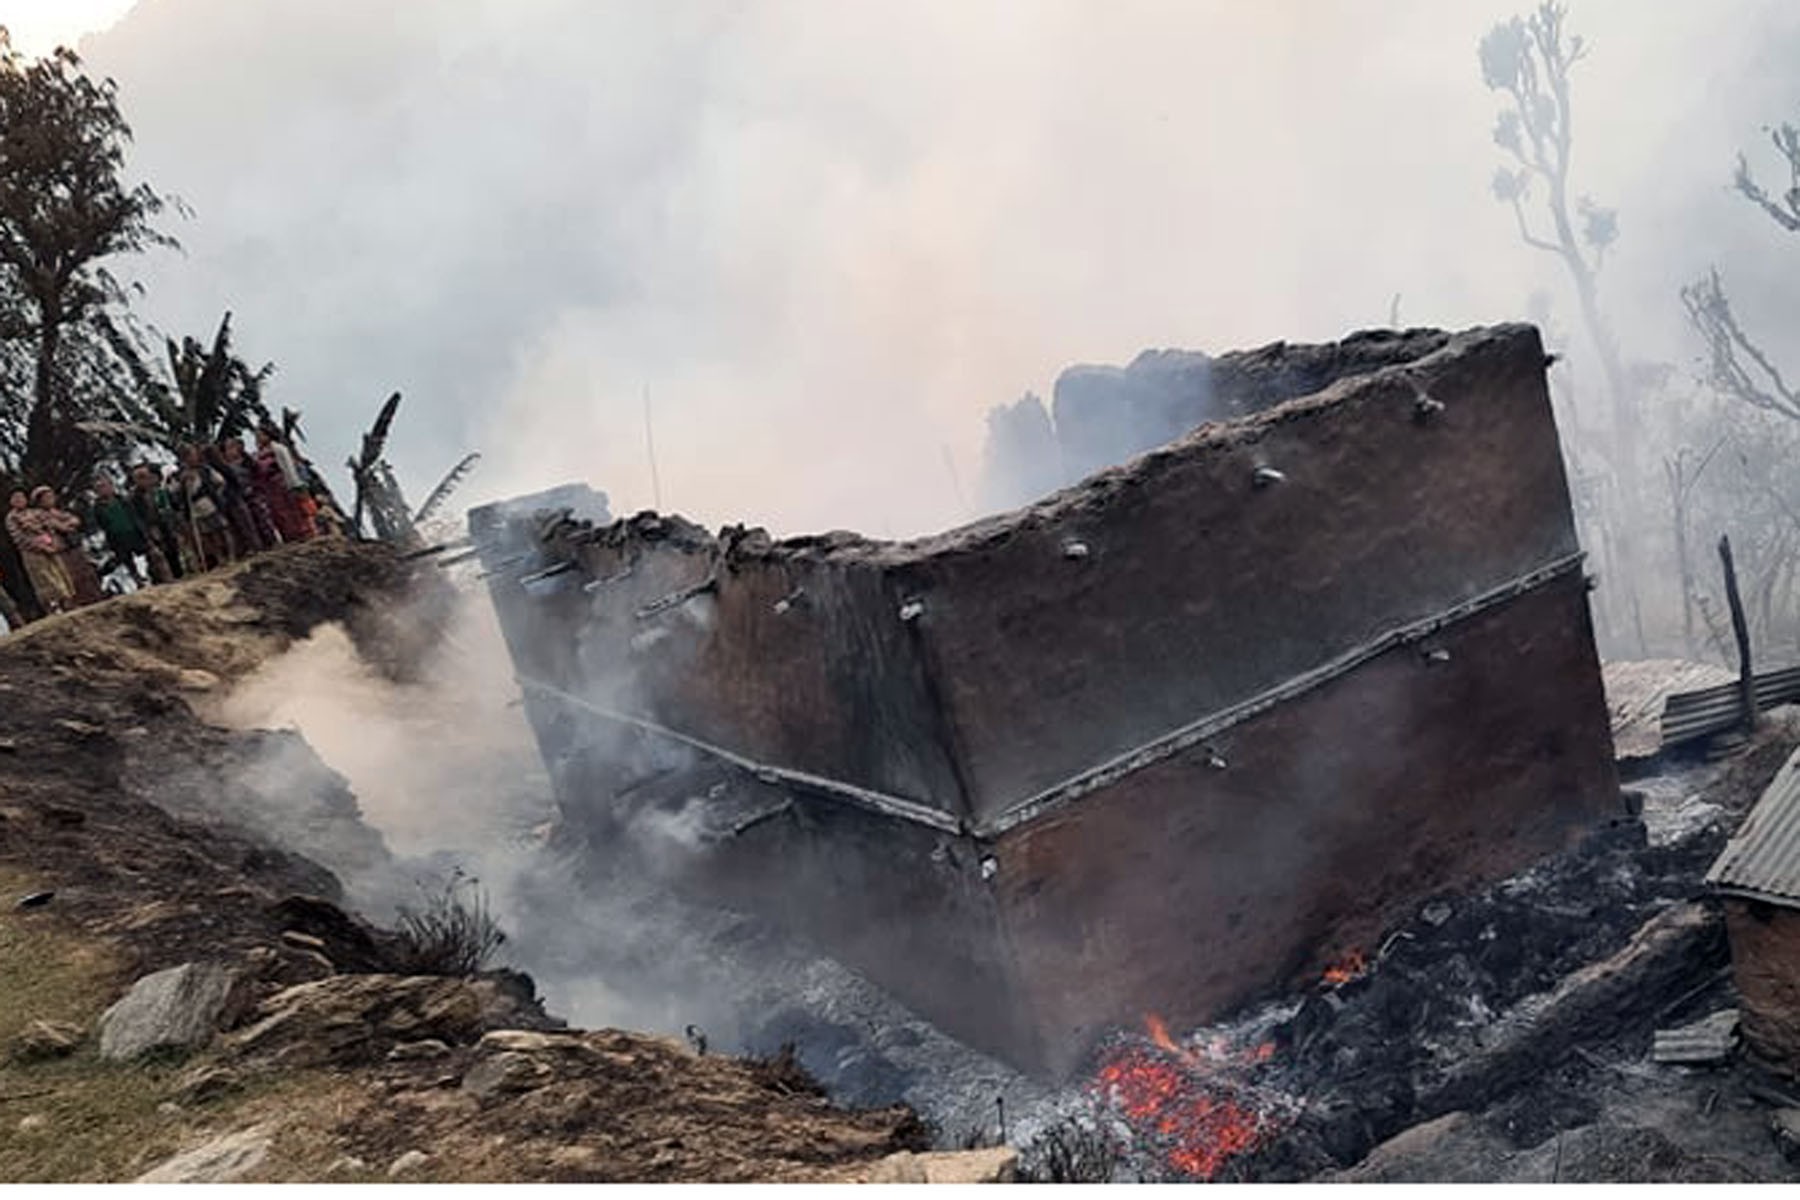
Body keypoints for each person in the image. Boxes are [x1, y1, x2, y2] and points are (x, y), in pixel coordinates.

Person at [6, 487, 76, 614]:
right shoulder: (11, 518)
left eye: (21, 497)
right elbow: (19, 538)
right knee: (44, 579)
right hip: (32, 552)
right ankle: (53, 607)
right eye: (16, 498)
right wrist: (39, 547)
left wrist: (54, 541)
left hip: (50, 546)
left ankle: (68, 601)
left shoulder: (35, 512)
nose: (19, 500)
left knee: (60, 574)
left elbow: (50, 523)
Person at [90, 472, 158, 585]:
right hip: (118, 538)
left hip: (133, 532)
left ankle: (156, 575)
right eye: (99, 488)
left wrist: (142, 530)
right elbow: (103, 525)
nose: (103, 489)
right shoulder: (97, 508)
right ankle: (138, 581)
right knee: (127, 561)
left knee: (151, 553)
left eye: (105, 486)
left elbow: (134, 516)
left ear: (111, 486)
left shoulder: (122, 500)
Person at [174, 444, 234, 572]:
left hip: (209, 503)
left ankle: (231, 555)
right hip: (196, 509)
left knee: (221, 530)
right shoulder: (181, 475)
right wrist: (182, 484)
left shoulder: (204, 470)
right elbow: (179, 494)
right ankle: (220, 558)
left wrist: (215, 494)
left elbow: (220, 482)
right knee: (208, 535)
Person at [252, 426, 311, 544]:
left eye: (260, 435)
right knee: (277, 512)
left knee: (290, 508)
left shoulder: (278, 449)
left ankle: (301, 533)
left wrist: (294, 483)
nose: (258, 438)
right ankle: (288, 536)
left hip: (280, 482)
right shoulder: (257, 454)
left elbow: (287, 466)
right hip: (268, 486)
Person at [129, 463, 185, 581]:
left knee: (172, 548)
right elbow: (137, 517)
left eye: (146, 476)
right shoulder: (134, 497)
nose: (145, 480)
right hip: (151, 527)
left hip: (165, 523)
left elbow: (170, 505)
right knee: (159, 553)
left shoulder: (158, 490)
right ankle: (164, 578)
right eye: (141, 478)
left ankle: (179, 573)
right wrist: (146, 531)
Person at [217, 437, 274, 551]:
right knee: (250, 522)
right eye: (227, 449)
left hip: (254, 492)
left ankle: (271, 541)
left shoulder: (248, 461)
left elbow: (257, 474)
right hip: (240, 496)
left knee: (262, 518)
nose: (229, 452)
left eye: (231, 448)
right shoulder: (227, 467)